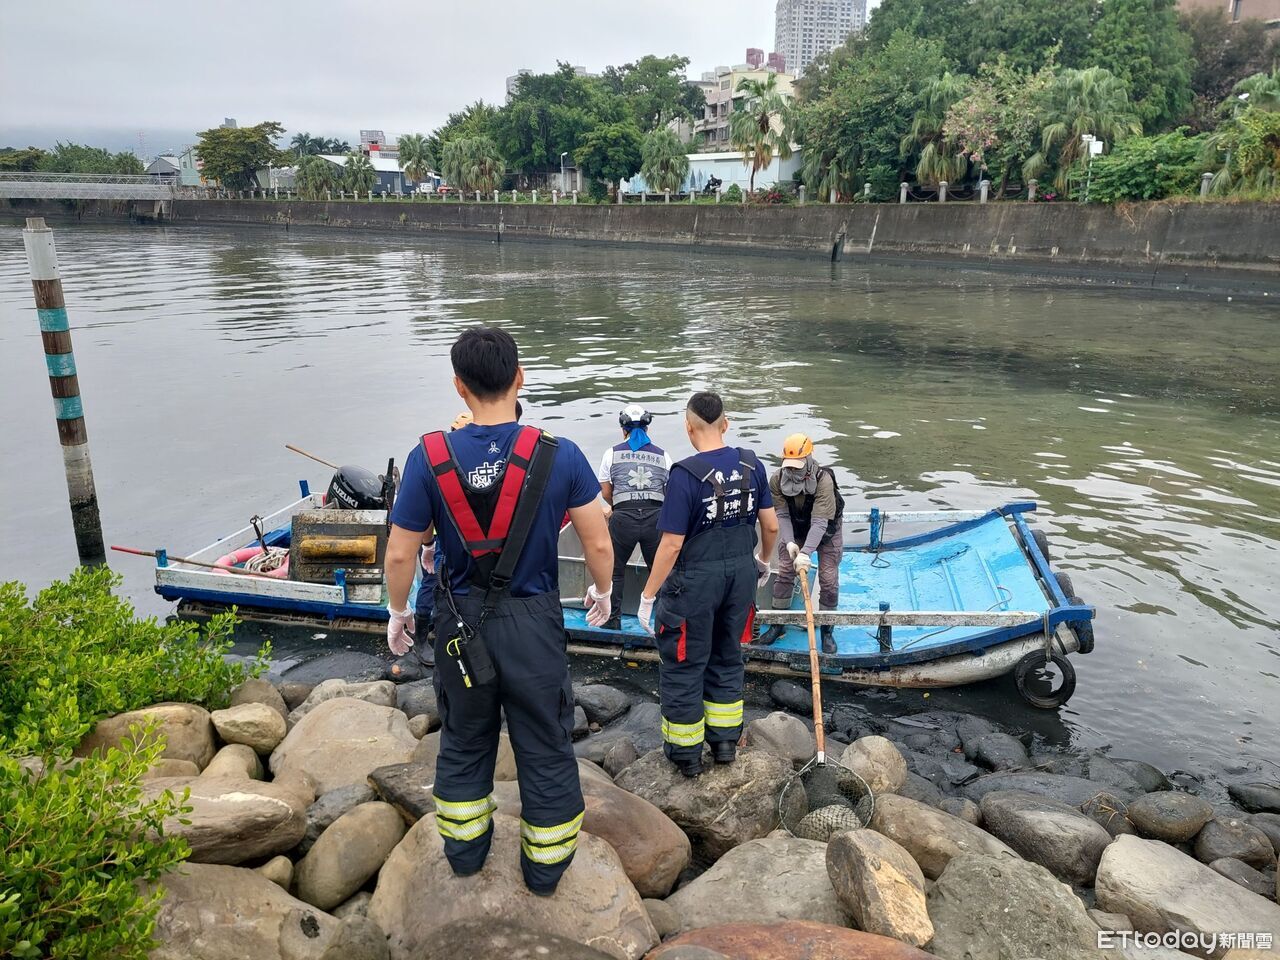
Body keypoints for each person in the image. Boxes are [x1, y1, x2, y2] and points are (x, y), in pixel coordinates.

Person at [384, 327, 614, 896]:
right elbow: (598, 542)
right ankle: (545, 873)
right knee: (544, 741)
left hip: (460, 627)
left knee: (464, 736)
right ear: (520, 378)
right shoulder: (559, 456)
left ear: (459, 386)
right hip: (534, 622)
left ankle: (465, 857)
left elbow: (399, 550)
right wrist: (605, 592)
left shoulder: (429, 456)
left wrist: (397, 612)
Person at [635, 391, 778, 777]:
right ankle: (725, 742)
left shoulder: (684, 474)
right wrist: (763, 562)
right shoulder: (752, 464)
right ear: (726, 423)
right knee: (728, 654)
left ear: (688, 426)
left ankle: (685, 755)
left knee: (683, 662)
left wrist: (648, 596)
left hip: (695, 582)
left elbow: (671, 543)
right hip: (741, 577)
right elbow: (771, 524)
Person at [756, 433, 845, 654]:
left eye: (797, 466)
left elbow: (820, 522)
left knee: (828, 578)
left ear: (808, 458)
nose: (793, 470)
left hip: (826, 531)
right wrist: (788, 543)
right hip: (794, 528)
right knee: (785, 570)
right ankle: (778, 624)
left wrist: (805, 553)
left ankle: (826, 630)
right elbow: (782, 516)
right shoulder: (777, 480)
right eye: (789, 466)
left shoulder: (824, 480)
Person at [596, 404, 672, 630]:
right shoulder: (663, 456)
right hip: (655, 519)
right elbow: (670, 493)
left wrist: (620, 507)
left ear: (623, 429)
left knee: (615, 570)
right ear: (647, 429)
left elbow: (606, 492)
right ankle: (665, 623)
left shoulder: (611, 453)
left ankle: (612, 620)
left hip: (622, 520)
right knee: (659, 570)